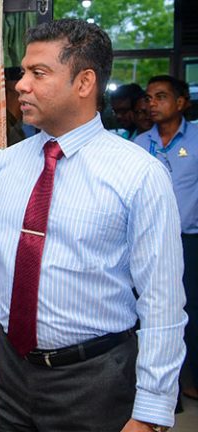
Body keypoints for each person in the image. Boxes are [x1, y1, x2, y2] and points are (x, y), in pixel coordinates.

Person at [0, 19, 186, 432]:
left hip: (95, 376)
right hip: (10, 370)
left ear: (84, 82)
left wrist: (150, 410)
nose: (21, 85)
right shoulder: (5, 167)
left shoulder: (138, 175)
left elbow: (161, 303)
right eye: (23, 72)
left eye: (38, 74)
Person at [135, 75, 198, 402]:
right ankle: (161, 390)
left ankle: (190, 380)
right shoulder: (139, 144)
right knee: (152, 311)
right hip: (148, 245)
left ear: (181, 102)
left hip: (191, 243)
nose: (152, 104)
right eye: (149, 98)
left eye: (161, 97)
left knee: (189, 313)